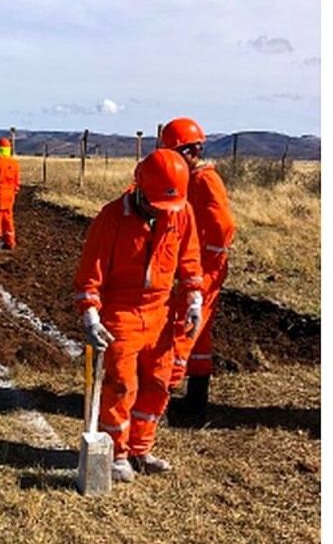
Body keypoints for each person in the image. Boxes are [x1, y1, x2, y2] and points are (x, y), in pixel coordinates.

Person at [73, 148, 203, 483]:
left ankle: (141, 448)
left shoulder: (180, 212)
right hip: (121, 315)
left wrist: (194, 299)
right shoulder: (111, 218)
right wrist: (90, 315)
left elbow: (190, 261)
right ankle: (117, 454)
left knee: (159, 384)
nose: (164, 214)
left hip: (161, 314)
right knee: (121, 388)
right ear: (141, 187)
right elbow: (90, 274)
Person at [160, 117, 237, 426]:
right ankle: (195, 404)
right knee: (198, 332)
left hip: (204, 269)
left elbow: (223, 226)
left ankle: (161, 399)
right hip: (200, 266)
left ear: (188, 151)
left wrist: (209, 260)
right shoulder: (192, 178)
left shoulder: (204, 180)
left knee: (182, 330)